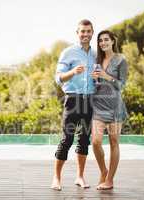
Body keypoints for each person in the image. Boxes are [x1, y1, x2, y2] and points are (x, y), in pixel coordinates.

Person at [51, 19, 96, 191]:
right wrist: (73, 72)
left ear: (92, 33)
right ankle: (56, 178)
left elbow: (97, 80)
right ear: (77, 33)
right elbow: (58, 77)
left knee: (84, 140)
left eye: (88, 31)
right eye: (82, 31)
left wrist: (98, 77)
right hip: (73, 100)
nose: (85, 34)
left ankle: (80, 177)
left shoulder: (95, 55)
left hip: (89, 100)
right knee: (67, 139)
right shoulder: (68, 52)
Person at [90, 30, 128, 190]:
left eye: (106, 40)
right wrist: (94, 80)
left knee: (114, 143)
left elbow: (122, 85)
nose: (103, 43)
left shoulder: (121, 60)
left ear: (113, 41)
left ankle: (110, 180)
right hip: (98, 106)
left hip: (114, 107)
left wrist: (106, 76)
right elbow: (96, 85)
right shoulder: (97, 60)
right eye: (100, 41)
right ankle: (103, 170)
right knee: (96, 142)